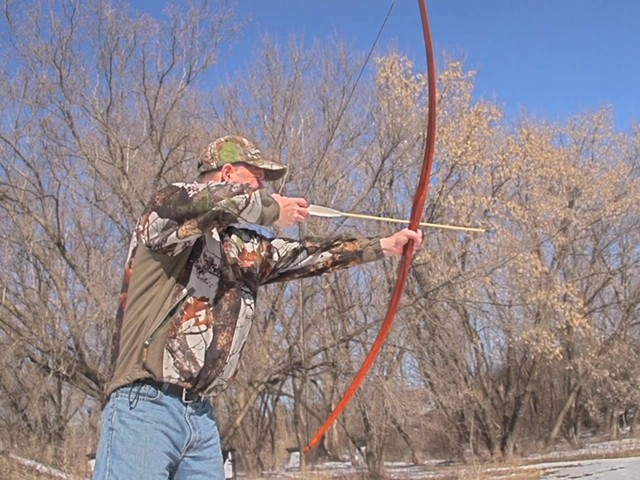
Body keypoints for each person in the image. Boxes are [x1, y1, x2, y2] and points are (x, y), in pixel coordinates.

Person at [92, 135, 422, 480]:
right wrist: (273, 210)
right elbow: (216, 204)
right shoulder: (169, 209)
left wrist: (384, 245)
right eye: (257, 177)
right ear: (228, 172)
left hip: (200, 417)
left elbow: (307, 254)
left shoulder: (242, 248)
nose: (263, 186)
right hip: (144, 403)